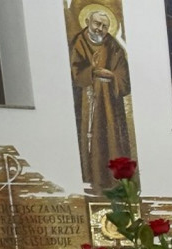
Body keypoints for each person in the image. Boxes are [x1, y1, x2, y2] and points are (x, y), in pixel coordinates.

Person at [69, 9, 132, 193]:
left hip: (111, 106)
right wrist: (93, 72)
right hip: (87, 103)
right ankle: (91, 177)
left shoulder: (113, 45)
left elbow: (124, 77)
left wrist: (111, 75)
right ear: (88, 21)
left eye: (104, 26)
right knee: (91, 138)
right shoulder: (79, 42)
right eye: (97, 24)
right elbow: (74, 71)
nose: (100, 29)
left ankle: (115, 181)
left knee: (112, 138)